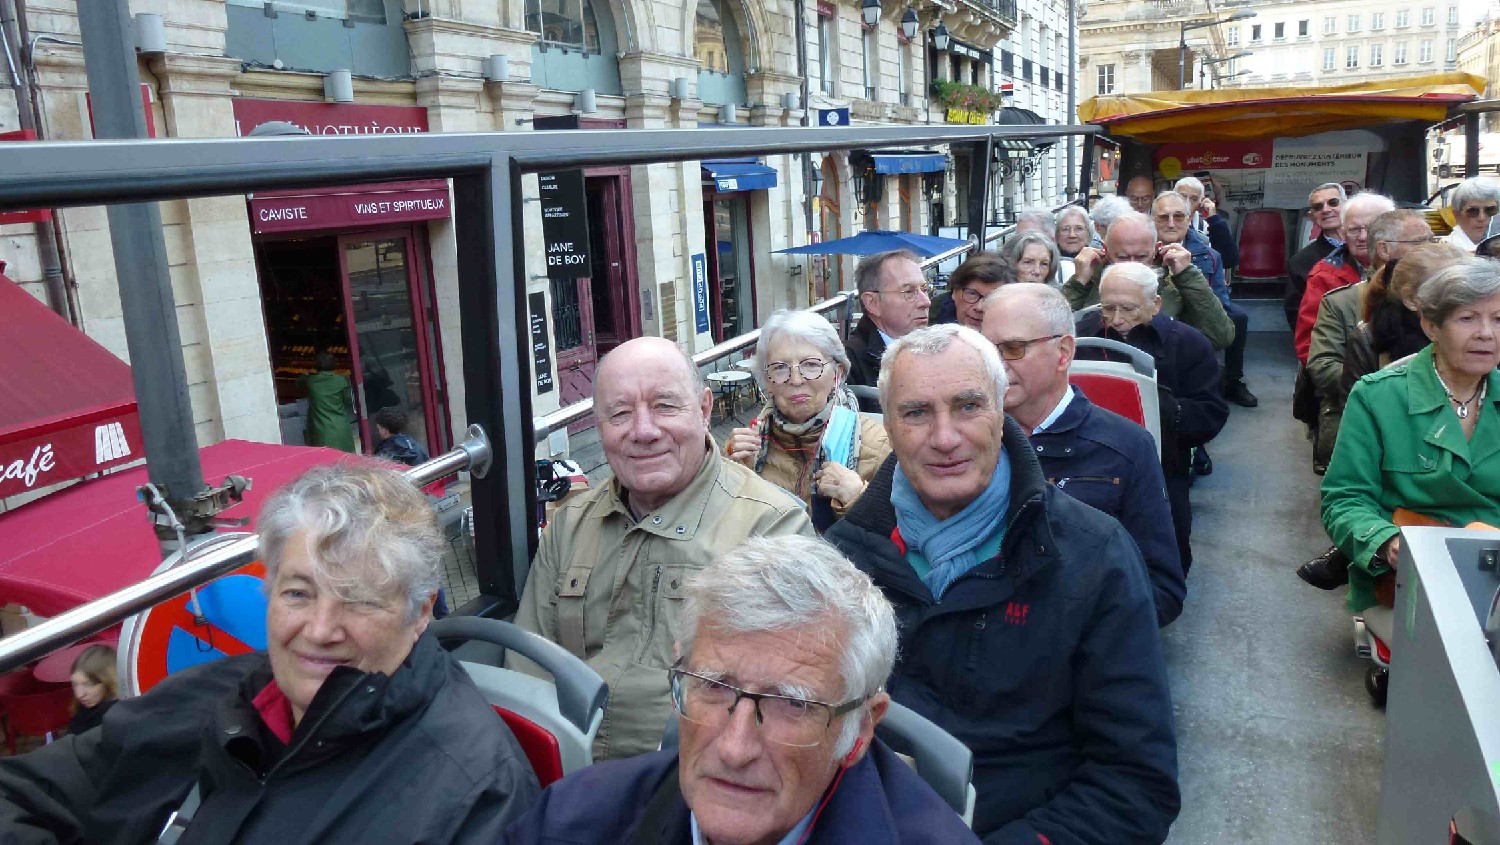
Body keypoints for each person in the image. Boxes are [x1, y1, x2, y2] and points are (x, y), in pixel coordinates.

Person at [0, 463, 540, 841]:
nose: (320, 629)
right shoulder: (214, 693)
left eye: (356, 600)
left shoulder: (472, 793)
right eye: (298, 593)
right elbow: (24, 793)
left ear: (420, 613)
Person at [825, 324, 1179, 843]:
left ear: (1001, 409)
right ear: (889, 427)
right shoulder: (842, 558)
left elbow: (1135, 782)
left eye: (968, 406)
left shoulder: (1091, 555)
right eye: (917, 412)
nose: (945, 437)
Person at [504, 535, 981, 845]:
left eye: (793, 703)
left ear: (859, 730)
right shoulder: (572, 820)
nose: (734, 749)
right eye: (713, 685)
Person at [514, 336, 814, 761]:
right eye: (619, 413)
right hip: (574, 776)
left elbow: (789, 704)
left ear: (705, 409)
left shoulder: (772, 528)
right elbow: (528, 666)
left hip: (699, 780)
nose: (643, 431)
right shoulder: (569, 525)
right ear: (598, 426)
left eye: (665, 406)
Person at [981, 283, 1185, 626]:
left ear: (1063, 353)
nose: (995, 366)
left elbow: (1160, 588)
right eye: (986, 351)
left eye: (1013, 348)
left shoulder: (1127, 448)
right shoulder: (964, 438)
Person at [1322, 258, 1500, 615]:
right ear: (1431, 326)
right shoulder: (1378, 396)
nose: (1487, 333)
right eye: (1468, 319)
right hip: (1407, 577)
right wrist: (1384, 540)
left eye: (1499, 319)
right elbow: (1345, 498)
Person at [1298, 241, 1464, 590]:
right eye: (1458, 306)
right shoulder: (1372, 343)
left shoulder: (1481, 355)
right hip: (1383, 449)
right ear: (1415, 302)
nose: (1484, 331)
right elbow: (1335, 383)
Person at [1076, 263, 1229, 575]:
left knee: (1166, 550)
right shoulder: (1080, 336)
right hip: (1086, 458)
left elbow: (1211, 414)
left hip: (1162, 463)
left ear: (1155, 304)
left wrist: (1161, 406)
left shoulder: (1187, 344)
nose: (1117, 320)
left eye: (1129, 309)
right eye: (1108, 308)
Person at [725, 309, 891, 530]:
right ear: (767, 380)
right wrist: (729, 475)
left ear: (838, 373)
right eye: (780, 368)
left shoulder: (880, 445)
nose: (796, 379)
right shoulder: (747, 449)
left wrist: (857, 498)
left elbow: (902, 538)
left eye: (811, 365)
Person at [1064, 211, 1236, 350]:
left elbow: (1221, 337)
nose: (1132, 264)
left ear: (1156, 250)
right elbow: (1056, 334)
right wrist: (1079, 282)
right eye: (1122, 257)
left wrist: (1188, 275)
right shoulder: (1091, 277)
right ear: (1106, 251)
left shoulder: (1176, 282)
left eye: (1141, 257)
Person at [1154, 191, 1257, 408]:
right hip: (1153, 332)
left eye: (1178, 216)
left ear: (1189, 220)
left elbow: (1220, 308)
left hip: (1193, 332)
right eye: (1163, 217)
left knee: (1237, 318)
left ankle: (1233, 380)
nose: (1171, 224)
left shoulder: (1209, 256)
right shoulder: (1140, 250)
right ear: (1152, 220)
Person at [1295, 191, 1395, 364]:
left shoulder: (1415, 271)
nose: (1363, 237)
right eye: (1354, 230)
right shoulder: (1324, 275)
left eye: (1372, 228)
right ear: (1343, 233)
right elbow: (1309, 347)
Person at [845, 250, 932, 389]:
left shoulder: (939, 349)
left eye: (925, 289)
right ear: (872, 303)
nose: (926, 302)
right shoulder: (848, 364)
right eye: (909, 291)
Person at [1285, 183, 1348, 330]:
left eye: (1333, 203)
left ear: (1347, 206)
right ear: (1312, 217)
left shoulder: (1369, 247)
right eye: (1318, 207)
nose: (1326, 210)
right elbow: (1297, 315)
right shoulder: (1299, 262)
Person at [928, 251, 1014, 330]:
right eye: (972, 294)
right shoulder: (926, 323)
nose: (979, 307)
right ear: (954, 291)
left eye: (992, 298)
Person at [1175, 175, 1240, 272]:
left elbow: (1228, 261)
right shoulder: (1161, 222)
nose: (1187, 203)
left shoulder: (1208, 225)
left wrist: (1214, 218)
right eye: (1183, 197)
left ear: (1201, 202)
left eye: (1193, 199)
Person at [299, 351, 356, 452]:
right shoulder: (341, 380)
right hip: (341, 426)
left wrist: (305, 374)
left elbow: (298, 383)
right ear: (333, 364)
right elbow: (349, 401)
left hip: (320, 429)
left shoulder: (310, 381)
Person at [66, 644, 118, 736]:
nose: (79, 694)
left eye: (89, 684)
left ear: (108, 682)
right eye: (75, 684)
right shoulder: (84, 710)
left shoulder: (114, 719)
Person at [1443, 177, 1500, 253]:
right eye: (1473, 211)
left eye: (1490, 210)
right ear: (1456, 215)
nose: (1481, 218)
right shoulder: (1447, 249)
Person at [1055, 205, 1093, 280]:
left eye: (1079, 228)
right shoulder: (1048, 263)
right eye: (1065, 229)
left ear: (1088, 233)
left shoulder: (1097, 262)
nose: (1072, 235)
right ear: (1057, 234)